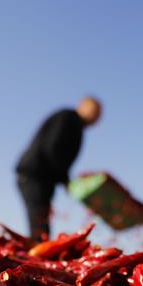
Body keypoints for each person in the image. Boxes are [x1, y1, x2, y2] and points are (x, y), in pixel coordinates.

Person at [15, 97, 102, 239]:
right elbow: (53, 147)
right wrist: (65, 179)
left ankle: (37, 255)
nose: (97, 118)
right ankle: (35, 258)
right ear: (83, 106)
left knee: (42, 223)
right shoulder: (68, 118)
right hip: (34, 175)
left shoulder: (76, 126)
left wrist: (64, 179)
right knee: (40, 227)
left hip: (43, 178)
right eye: (95, 111)